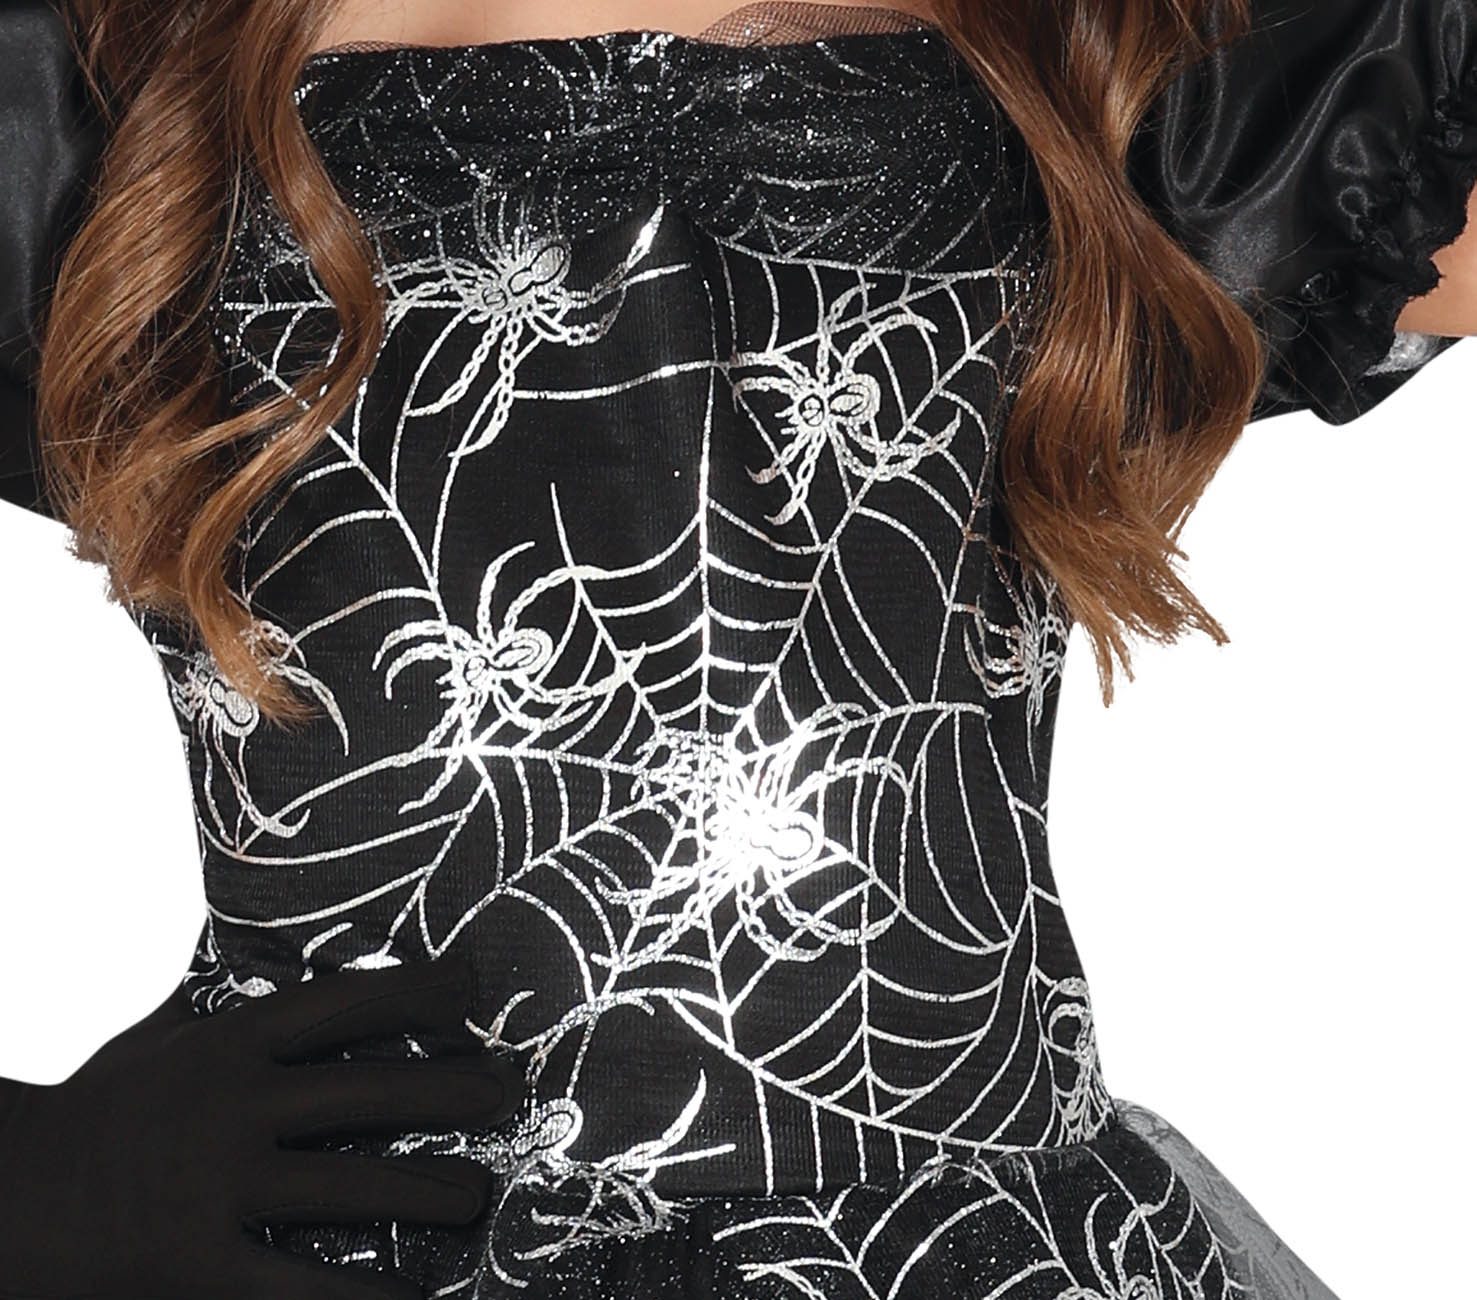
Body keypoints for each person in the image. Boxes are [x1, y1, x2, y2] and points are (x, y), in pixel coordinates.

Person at [1, 1, 1473, 1297]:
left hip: (966, 1240)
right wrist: (36, 1179)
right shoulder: (94, 71)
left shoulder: (1117, 42)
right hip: (338, 1239)